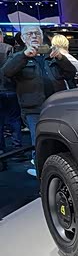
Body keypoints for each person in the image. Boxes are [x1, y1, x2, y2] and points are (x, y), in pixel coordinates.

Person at [2, 25, 78, 177]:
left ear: (42, 36)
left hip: (58, 107)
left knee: (62, 141)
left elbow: (71, 72)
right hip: (34, 109)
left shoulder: (52, 54)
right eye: (30, 34)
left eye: (37, 33)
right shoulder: (18, 56)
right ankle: (42, 175)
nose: (34, 36)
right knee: (40, 144)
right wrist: (24, 56)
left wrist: (61, 58)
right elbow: (6, 72)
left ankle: (61, 173)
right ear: (23, 38)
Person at [0, 38, 23, 172]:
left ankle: (1, 151)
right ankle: (17, 149)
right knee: (14, 119)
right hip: (10, 88)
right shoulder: (8, 48)